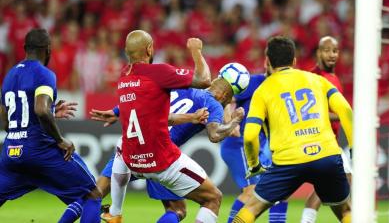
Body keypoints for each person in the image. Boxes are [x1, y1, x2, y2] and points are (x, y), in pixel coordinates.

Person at [232, 36, 353, 223]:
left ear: (267, 61)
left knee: (252, 208)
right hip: (326, 155)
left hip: (288, 161)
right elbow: (346, 110)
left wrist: (254, 165)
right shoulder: (317, 80)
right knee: (345, 210)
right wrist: (354, 149)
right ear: (294, 61)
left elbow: (249, 136)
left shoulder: (262, 91)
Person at [92, 76, 245, 223]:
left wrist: (117, 111)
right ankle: (113, 213)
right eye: (230, 98)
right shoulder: (213, 105)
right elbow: (215, 134)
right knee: (188, 206)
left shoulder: (183, 87)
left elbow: (145, 98)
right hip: (160, 155)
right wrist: (234, 121)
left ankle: (107, 213)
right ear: (226, 94)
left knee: (94, 194)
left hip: (133, 145)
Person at [112, 30, 221, 223]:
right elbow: (204, 81)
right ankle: (114, 213)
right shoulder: (158, 72)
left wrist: (190, 117)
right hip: (161, 160)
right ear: (149, 48)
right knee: (213, 198)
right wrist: (196, 51)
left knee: (119, 149)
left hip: (133, 161)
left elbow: (157, 117)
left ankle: (115, 212)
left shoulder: (124, 76)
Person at [0, 28, 102, 223]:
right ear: (48, 50)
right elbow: (41, 110)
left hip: (11, 153)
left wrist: (51, 111)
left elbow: (6, 121)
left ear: (24, 49)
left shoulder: (9, 76)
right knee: (92, 194)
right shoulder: (45, 74)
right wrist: (59, 139)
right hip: (40, 151)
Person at [221, 68, 288, 222]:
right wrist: (229, 123)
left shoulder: (284, 88)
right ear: (268, 62)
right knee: (250, 191)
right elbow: (226, 97)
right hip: (239, 144)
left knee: (280, 189)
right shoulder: (254, 82)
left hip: (260, 146)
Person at [301, 36, 352, 223]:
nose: (331, 55)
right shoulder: (314, 78)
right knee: (343, 186)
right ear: (318, 53)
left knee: (330, 188)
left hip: (330, 143)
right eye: (326, 50)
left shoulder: (334, 78)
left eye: (335, 51)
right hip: (321, 142)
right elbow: (313, 113)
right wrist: (345, 114)